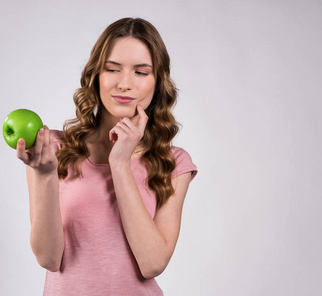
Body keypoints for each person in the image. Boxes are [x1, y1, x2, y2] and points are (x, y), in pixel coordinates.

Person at [17, 17, 198, 295]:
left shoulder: (174, 164)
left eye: (141, 72)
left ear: (157, 82)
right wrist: (44, 175)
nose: (124, 84)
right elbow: (48, 258)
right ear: (96, 76)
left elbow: (152, 263)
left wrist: (120, 163)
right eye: (112, 69)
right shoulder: (51, 149)